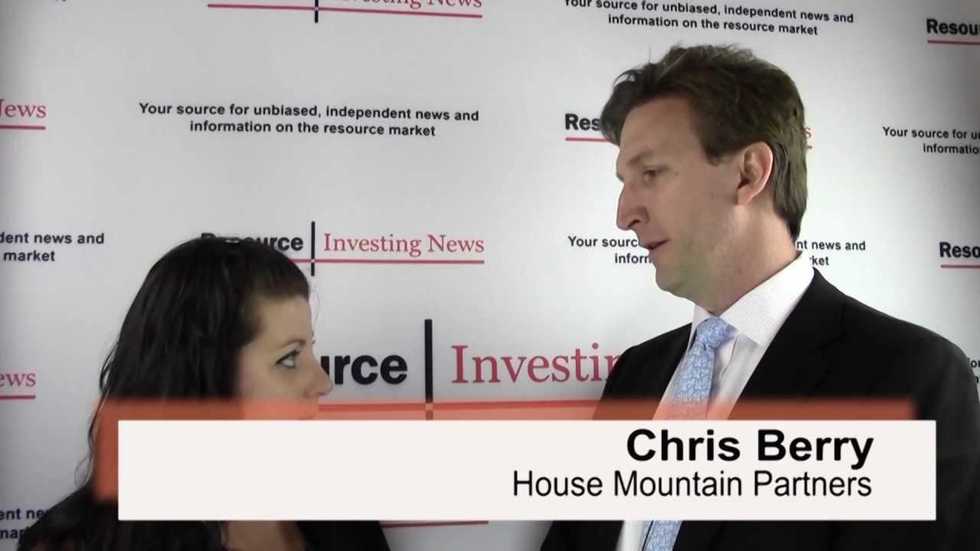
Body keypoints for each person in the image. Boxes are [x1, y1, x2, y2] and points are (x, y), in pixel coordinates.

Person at [541, 45, 980, 551]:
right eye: (624, 182)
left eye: (651, 173)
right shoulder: (635, 376)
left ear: (749, 173)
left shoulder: (908, 377)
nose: (624, 215)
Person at [19, 236, 391, 551]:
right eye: (289, 358)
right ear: (203, 376)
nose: (323, 382)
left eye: (311, 349)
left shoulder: (342, 517)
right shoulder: (76, 544)